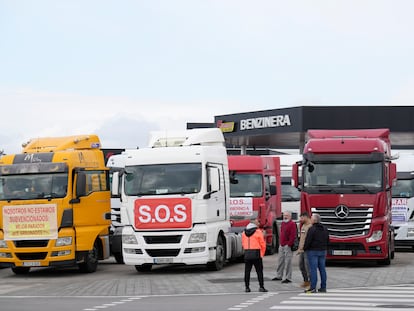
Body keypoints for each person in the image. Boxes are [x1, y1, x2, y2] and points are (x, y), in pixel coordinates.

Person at [303, 213, 329, 293]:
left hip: (313, 251)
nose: (310, 219)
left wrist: (305, 248)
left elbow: (308, 240)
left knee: (313, 270)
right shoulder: (325, 228)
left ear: (314, 220)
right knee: (322, 269)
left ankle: (313, 287)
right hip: (323, 251)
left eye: (311, 218)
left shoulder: (312, 229)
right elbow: (328, 239)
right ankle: (323, 287)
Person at [241, 221, 268, 293]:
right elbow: (262, 244)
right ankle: (261, 287)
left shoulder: (244, 232)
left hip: (247, 253)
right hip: (256, 253)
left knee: (247, 271)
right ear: (255, 225)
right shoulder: (258, 232)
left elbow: (243, 243)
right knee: (259, 271)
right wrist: (262, 254)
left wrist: (246, 249)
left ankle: (247, 287)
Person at [272, 211, 297, 283]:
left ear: (290, 216)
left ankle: (288, 277)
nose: (285, 217)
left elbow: (293, 235)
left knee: (288, 262)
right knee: (280, 261)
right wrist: (280, 243)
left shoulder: (292, 224)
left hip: (287, 245)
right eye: (284, 215)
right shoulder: (283, 223)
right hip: (282, 244)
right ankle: (279, 275)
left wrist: (289, 244)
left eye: (286, 215)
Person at [297, 211, 312, 288]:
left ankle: (311, 282)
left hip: (308, 250)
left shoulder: (310, 226)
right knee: (301, 266)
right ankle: (306, 281)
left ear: (306, 217)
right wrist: (299, 248)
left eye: (302, 217)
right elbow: (301, 238)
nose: (301, 219)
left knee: (308, 267)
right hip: (302, 250)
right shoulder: (303, 226)